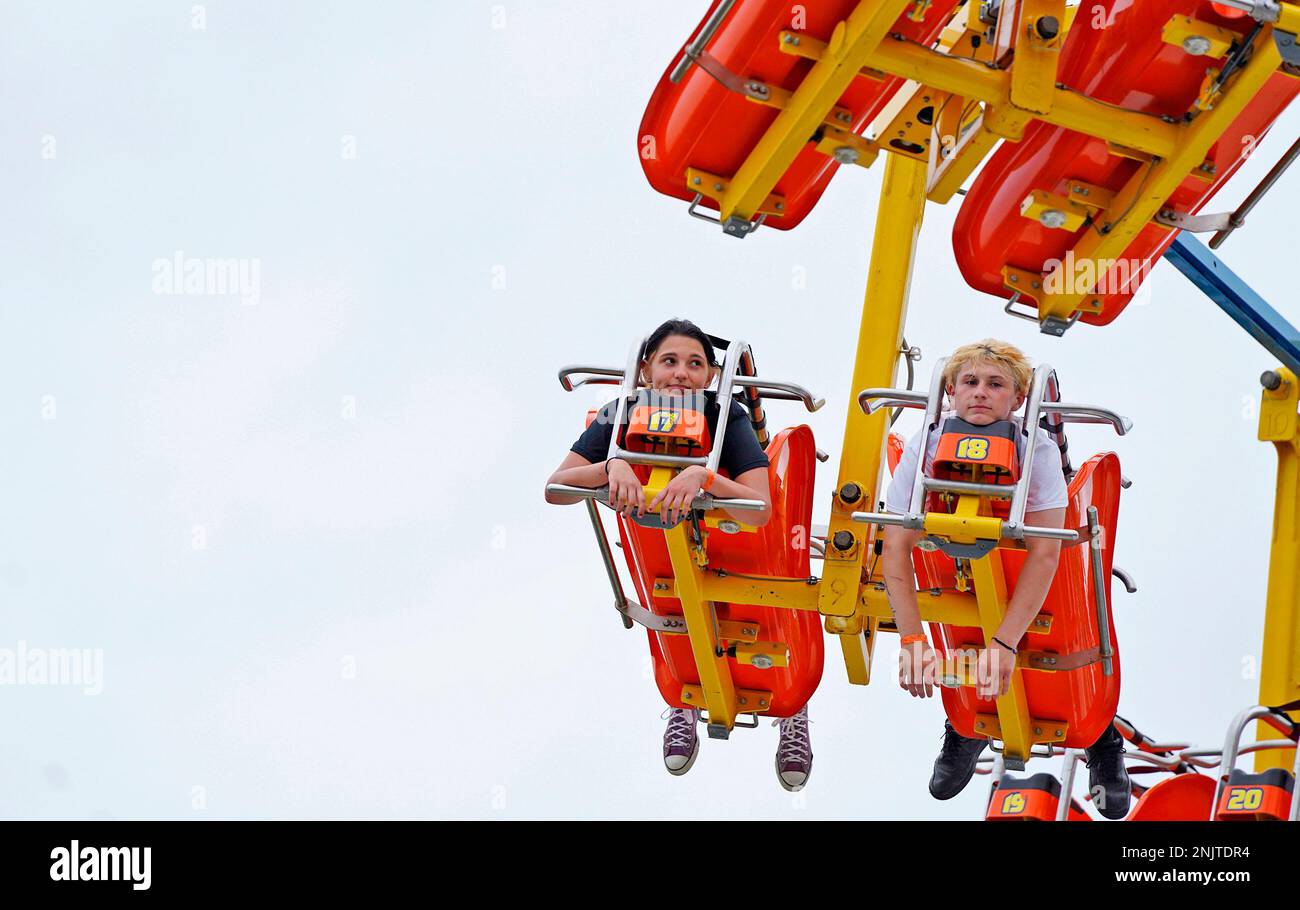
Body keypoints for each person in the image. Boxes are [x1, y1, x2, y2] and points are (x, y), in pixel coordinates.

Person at [545, 318, 814, 790]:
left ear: (711, 376)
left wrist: (702, 477)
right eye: (670, 361)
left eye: (695, 364)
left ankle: (792, 714)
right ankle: (684, 702)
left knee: (764, 620)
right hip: (662, 556)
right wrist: (612, 466)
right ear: (647, 369)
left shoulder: (721, 414)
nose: (681, 373)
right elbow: (557, 487)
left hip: (737, 552)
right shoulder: (619, 413)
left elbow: (758, 506)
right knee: (676, 618)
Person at [879, 339, 1130, 819]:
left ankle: (1102, 736)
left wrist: (1007, 642)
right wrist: (911, 638)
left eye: (995, 384)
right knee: (962, 638)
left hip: (1038, 580)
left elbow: (1046, 549)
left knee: (1066, 647)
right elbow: (896, 545)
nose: (980, 393)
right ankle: (966, 727)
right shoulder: (925, 444)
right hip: (959, 574)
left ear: (1017, 400)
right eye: (970, 382)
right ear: (950, 391)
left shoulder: (1035, 449)